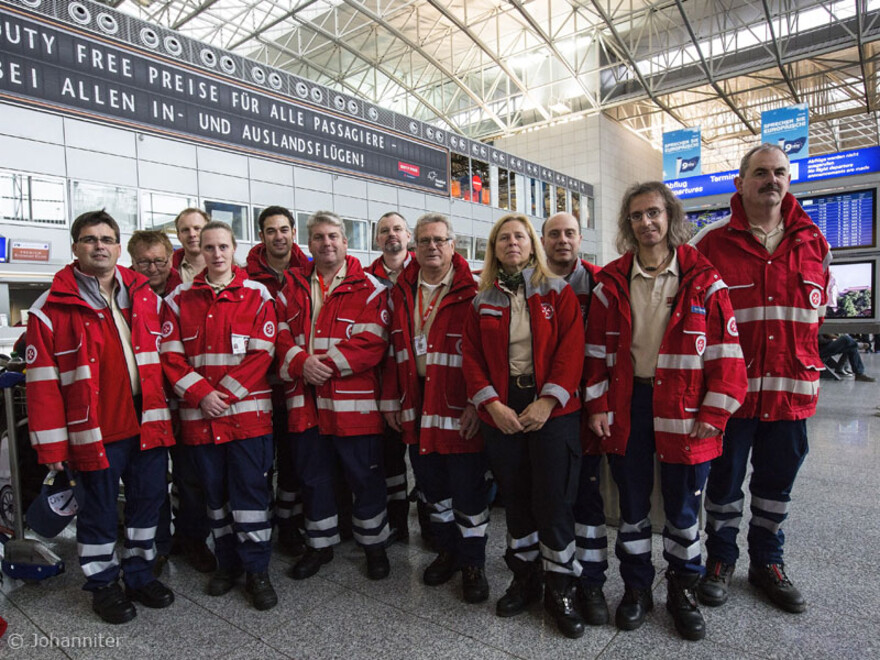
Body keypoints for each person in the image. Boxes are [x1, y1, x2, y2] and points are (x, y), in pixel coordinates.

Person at [584, 182, 747, 641]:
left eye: (653, 213)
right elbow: (595, 354)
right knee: (633, 506)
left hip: (686, 405)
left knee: (682, 510)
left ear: (670, 218)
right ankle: (637, 589)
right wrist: (597, 405)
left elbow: (728, 357)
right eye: (636, 216)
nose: (646, 223)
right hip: (628, 405)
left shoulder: (706, 280)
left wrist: (714, 415)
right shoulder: (610, 282)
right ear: (628, 225)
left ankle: (683, 588)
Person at [691, 143, 831, 615]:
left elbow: (817, 318)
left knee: (776, 486)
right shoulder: (709, 243)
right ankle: (720, 560)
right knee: (725, 485)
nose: (772, 180)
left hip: (792, 397)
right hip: (731, 400)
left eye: (780, 172)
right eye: (761, 173)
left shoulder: (814, 241)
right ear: (740, 182)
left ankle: (767, 562)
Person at [27, 210, 175, 624]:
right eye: (90, 239)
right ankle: (103, 583)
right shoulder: (49, 308)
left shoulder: (143, 293)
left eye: (107, 239)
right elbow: (42, 385)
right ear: (75, 247)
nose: (99, 246)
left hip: (147, 423)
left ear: (116, 245)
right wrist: (53, 446)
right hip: (95, 431)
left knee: (149, 505)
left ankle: (140, 574)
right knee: (99, 513)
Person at [462, 213, 586, 639]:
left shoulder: (558, 292)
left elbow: (573, 351)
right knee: (515, 499)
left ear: (532, 244)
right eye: (503, 238)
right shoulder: (483, 301)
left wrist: (548, 401)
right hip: (504, 409)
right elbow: (472, 359)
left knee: (553, 500)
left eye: (519, 237)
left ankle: (561, 587)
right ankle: (525, 577)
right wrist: (492, 406)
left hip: (552, 408)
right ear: (493, 248)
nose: (512, 243)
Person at [160, 221, 279, 611]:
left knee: (251, 499)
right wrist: (201, 395)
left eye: (223, 246)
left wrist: (221, 396)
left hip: (246, 420)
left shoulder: (257, 295)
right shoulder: (178, 300)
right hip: (202, 421)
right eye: (208, 247)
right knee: (215, 500)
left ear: (234, 249)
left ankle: (257, 570)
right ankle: (226, 566)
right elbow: (171, 357)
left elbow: (262, 354)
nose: (216, 254)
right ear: (200, 252)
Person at [275, 210, 392, 581]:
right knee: (314, 479)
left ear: (345, 241)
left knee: (364, 479)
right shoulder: (289, 287)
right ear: (308, 244)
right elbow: (275, 336)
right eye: (319, 237)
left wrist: (320, 366)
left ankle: (374, 546)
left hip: (352, 407)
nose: (327, 243)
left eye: (333, 236)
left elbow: (373, 342)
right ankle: (319, 545)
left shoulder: (371, 288)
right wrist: (299, 362)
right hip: (306, 406)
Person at [381, 213, 489, 604]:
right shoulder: (401, 290)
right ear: (414, 247)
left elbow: (488, 356)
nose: (431, 247)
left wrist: (480, 404)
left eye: (438, 240)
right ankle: (448, 551)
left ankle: (473, 562)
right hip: (416, 402)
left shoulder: (475, 289)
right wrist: (391, 397)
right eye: (424, 241)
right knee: (432, 489)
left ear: (452, 245)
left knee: (468, 491)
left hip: (460, 404)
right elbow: (394, 350)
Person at [127, 230, 214, 576]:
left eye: (159, 260)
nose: (152, 268)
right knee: (150, 482)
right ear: (131, 262)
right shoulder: (123, 298)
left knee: (192, 478)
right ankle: (158, 546)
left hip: (188, 403)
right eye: (144, 261)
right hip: (146, 406)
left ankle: (193, 539)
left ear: (170, 258)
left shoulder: (187, 295)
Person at [541, 212, 608, 625]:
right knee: (551, 500)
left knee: (588, 497)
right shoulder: (532, 286)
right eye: (554, 234)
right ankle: (556, 580)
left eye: (569, 233)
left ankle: (593, 582)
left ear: (581, 238)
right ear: (542, 241)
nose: (562, 240)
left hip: (589, 411)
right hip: (548, 412)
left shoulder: (602, 284)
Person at [245, 206, 311, 557]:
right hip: (258, 387)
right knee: (259, 463)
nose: (279, 236)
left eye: (284, 229)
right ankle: (260, 525)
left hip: (297, 385)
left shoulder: (310, 271)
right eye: (271, 231)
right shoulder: (246, 276)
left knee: (292, 461)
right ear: (262, 236)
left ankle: (288, 524)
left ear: (293, 232)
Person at [367, 212, 414, 542]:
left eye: (397, 229)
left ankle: (433, 522)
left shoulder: (424, 269)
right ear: (377, 239)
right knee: (389, 455)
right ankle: (396, 522)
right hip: (382, 378)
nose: (391, 235)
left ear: (408, 236)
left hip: (420, 377)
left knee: (427, 456)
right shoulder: (365, 278)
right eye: (384, 231)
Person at [172, 208, 209, 282]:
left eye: (197, 228)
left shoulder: (230, 270)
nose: (192, 234)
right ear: (179, 236)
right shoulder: (166, 272)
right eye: (185, 230)